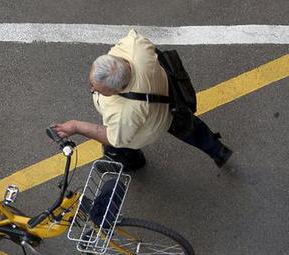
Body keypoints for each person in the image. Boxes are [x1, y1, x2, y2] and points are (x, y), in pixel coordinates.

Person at [52, 29, 233, 171]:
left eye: (99, 90)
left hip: (149, 127)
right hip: (170, 101)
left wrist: (76, 126)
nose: (92, 90)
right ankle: (217, 150)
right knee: (189, 127)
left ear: (120, 88)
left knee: (116, 148)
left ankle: (132, 162)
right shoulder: (135, 46)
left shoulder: (124, 113)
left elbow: (114, 138)